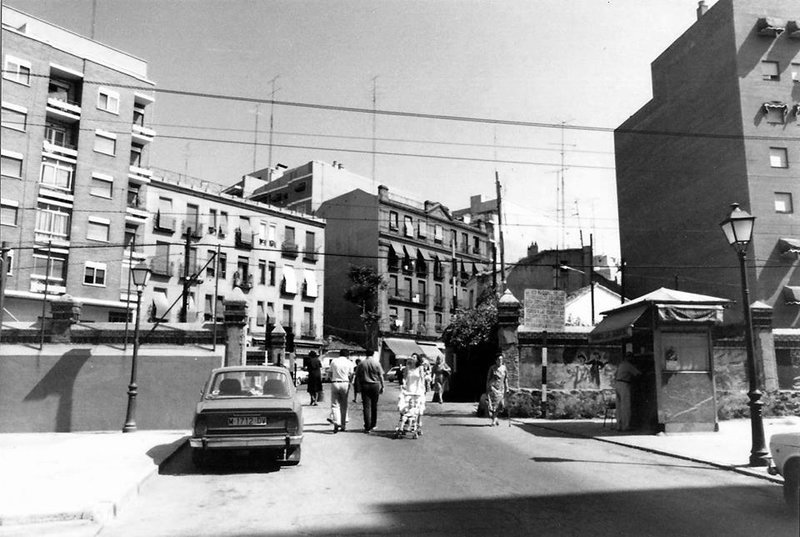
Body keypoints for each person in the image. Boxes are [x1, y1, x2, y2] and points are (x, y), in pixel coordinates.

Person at [354, 352, 385, 433]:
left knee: (366, 406)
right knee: (374, 405)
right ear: (373, 354)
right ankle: (373, 424)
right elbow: (381, 375)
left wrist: (359, 386)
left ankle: (367, 426)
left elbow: (357, 375)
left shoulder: (361, 364)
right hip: (375, 385)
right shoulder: (376, 363)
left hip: (365, 385)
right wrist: (383, 386)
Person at [328, 350, 355, 433]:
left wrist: (332, 380)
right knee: (344, 405)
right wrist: (350, 382)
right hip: (345, 383)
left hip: (335, 382)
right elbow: (351, 374)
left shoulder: (334, 361)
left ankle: (336, 422)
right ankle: (343, 425)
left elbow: (330, 374)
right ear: (347, 355)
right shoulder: (349, 362)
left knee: (335, 404)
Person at [615, 352, 641, 432]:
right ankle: (626, 426)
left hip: (617, 383)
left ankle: (619, 425)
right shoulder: (628, 365)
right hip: (624, 384)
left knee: (619, 406)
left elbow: (615, 374)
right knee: (625, 406)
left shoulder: (621, 364)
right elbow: (638, 373)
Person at [485, 353, 508, 426]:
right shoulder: (492, 368)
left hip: (501, 389)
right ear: (496, 360)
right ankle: (494, 420)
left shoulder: (504, 368)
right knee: (493, 405)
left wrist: (507, 387)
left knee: (500, 405)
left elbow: (506, 378)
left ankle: (495, 418)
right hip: (493, 388)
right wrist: (487, 387)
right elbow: (488, 379)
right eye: (498, 359)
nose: (500, 361)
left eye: (501, 359)